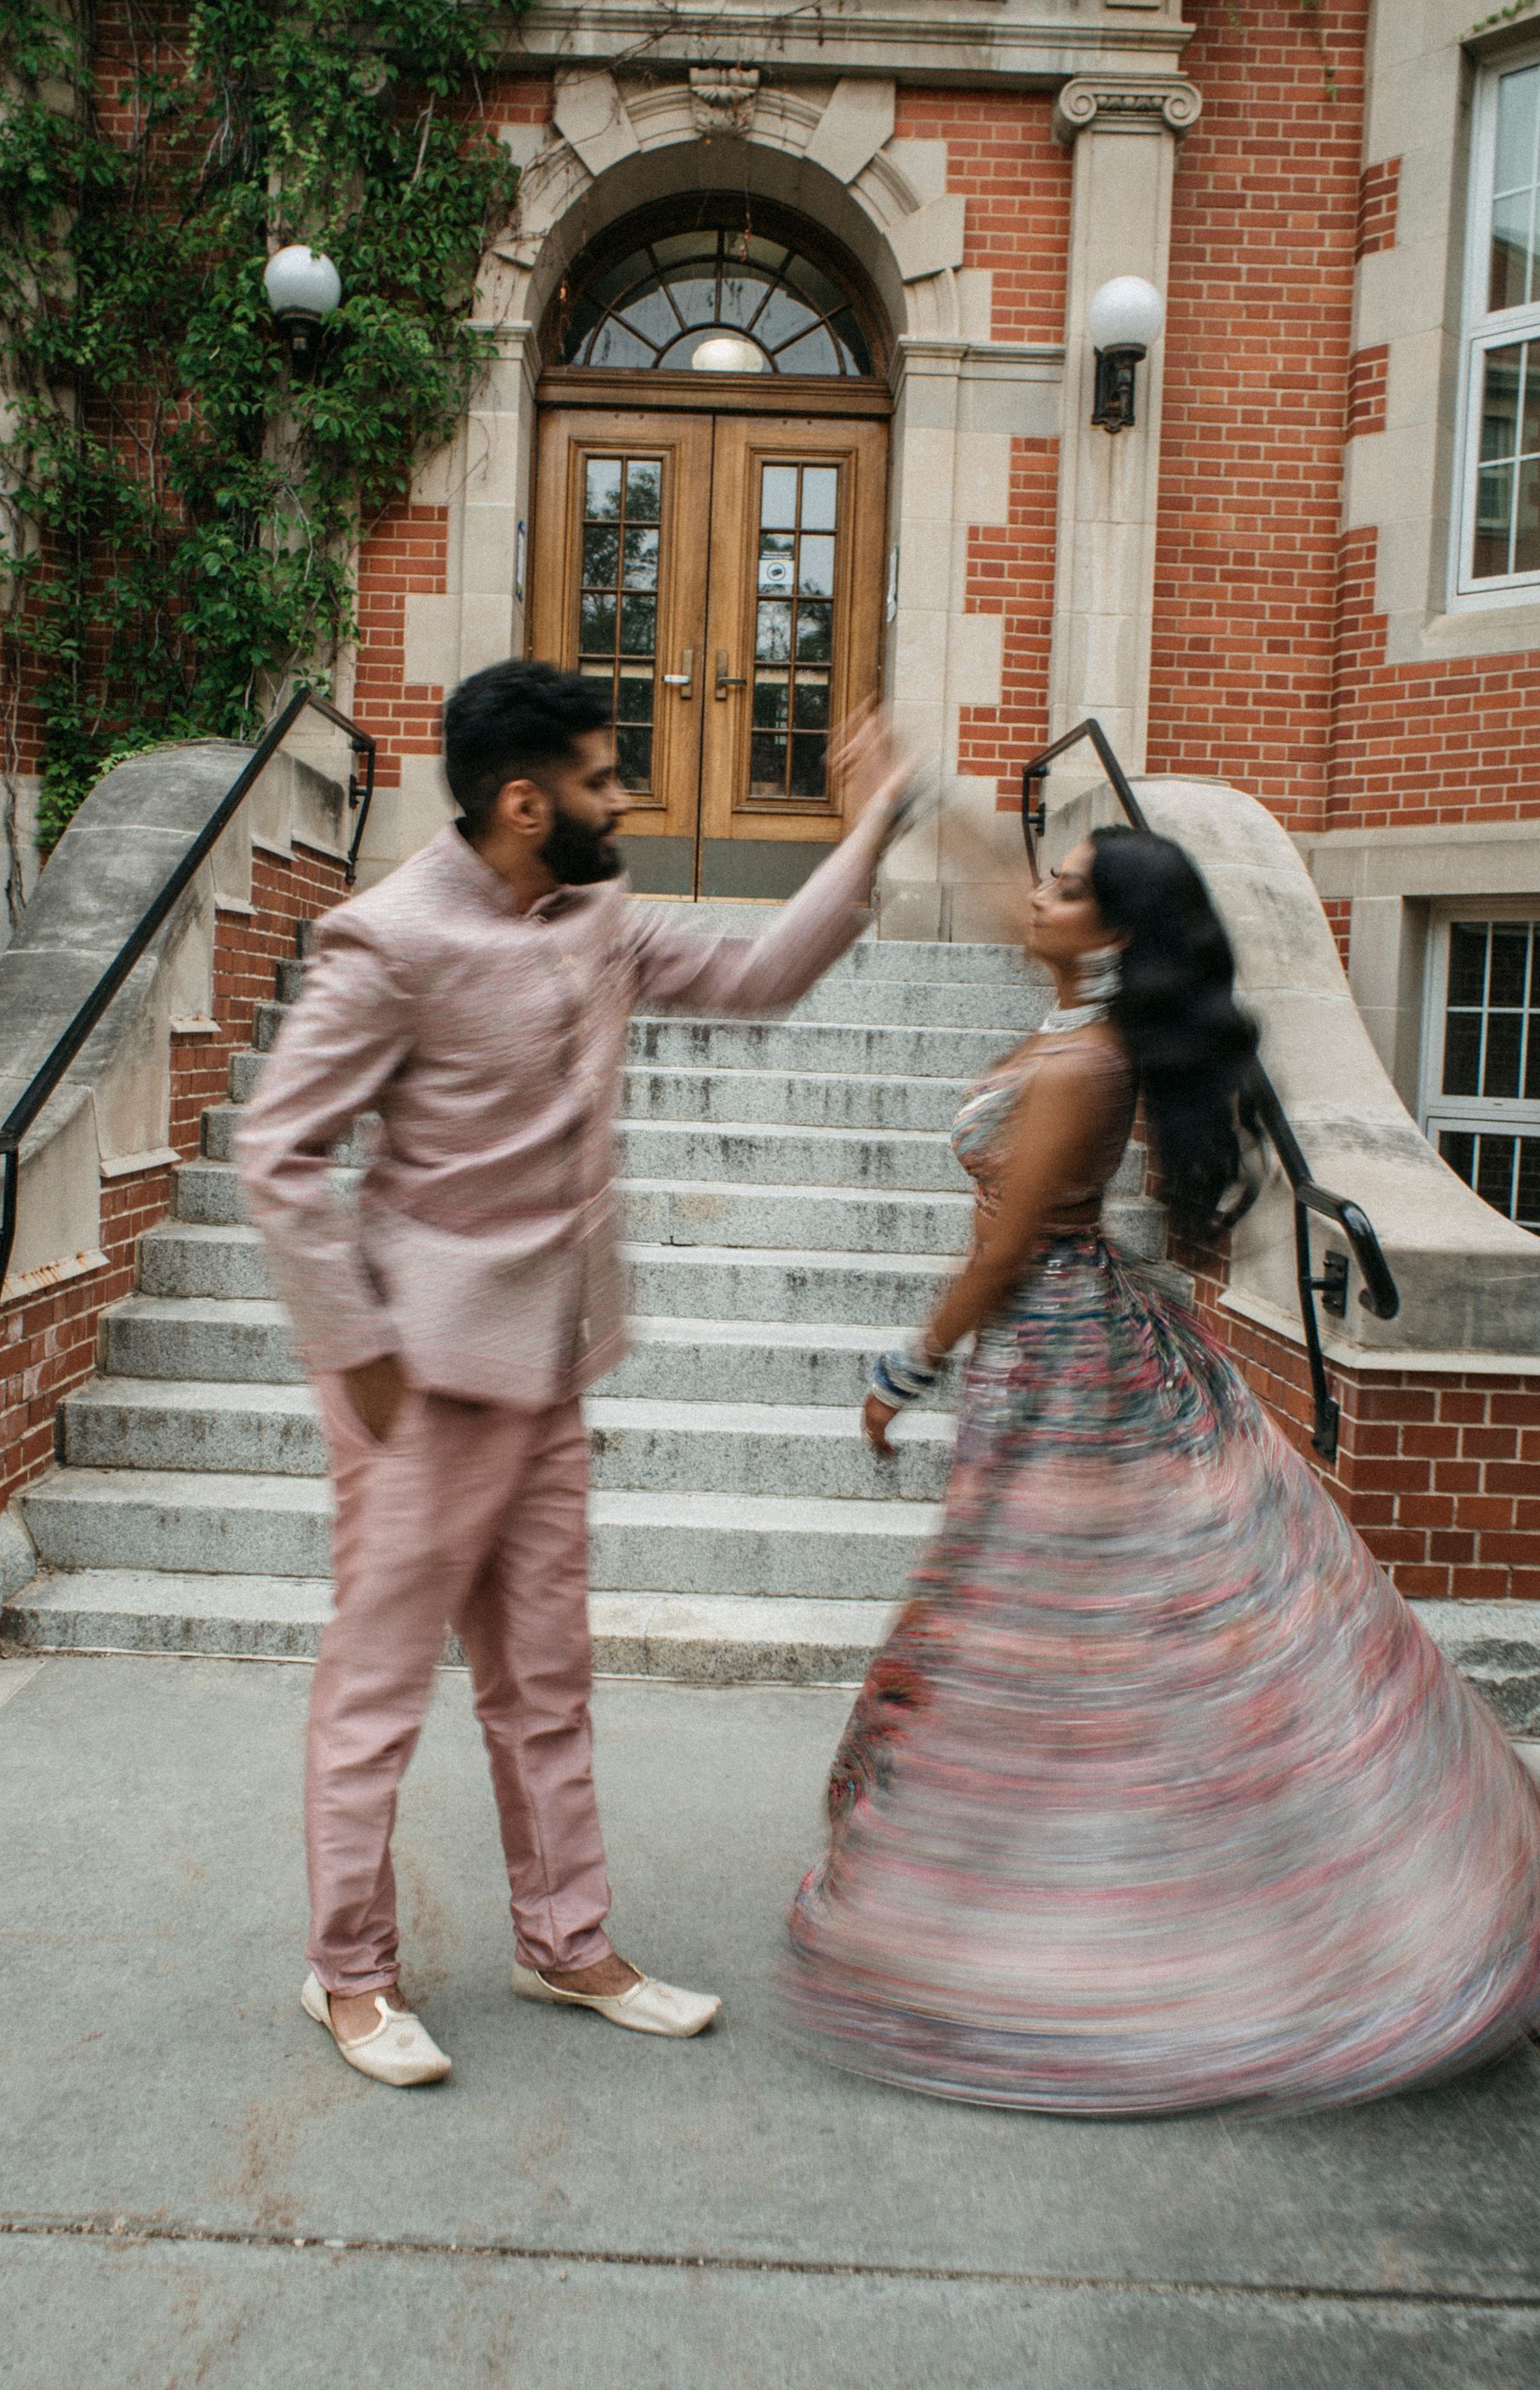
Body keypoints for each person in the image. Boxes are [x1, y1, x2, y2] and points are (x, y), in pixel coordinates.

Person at [785, 825, 1540, 2115]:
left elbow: (1006, 1249)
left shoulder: (1086, 1061)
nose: (1035, 894)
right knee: (1059, 1633)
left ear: (1114, 933)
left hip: (1064, 1353)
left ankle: (1122, 1922)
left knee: (1062, 1630)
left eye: (1066, 888)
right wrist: (911, 795)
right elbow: (997, 889)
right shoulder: (1077, 1021)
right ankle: (1081, 1876)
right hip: (1058, 1351)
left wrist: (904, 1370)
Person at [236, 657, 911, 2087]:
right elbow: (278, 1153)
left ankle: (568, 1941)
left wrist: (873, 830)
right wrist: (351, 1350)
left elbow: (757, 971)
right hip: (417, 1386)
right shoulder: (390, 938)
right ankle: (347, 1974)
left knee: (545, 1682)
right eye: (606, 778)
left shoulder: (594, 908)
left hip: (549, 1369)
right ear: (527, 800)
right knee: (377, 1692)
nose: (626, 798)